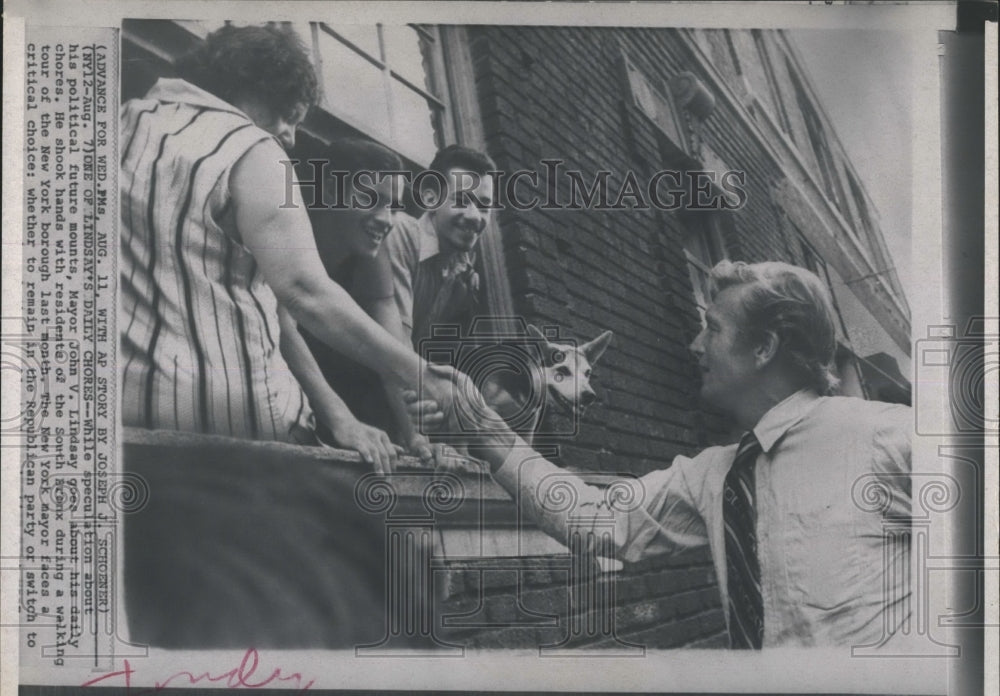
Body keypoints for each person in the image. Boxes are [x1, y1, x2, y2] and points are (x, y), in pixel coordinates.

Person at [408, 260, 912, 648]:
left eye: (712, 328)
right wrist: (478, 422)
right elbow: (594, 517)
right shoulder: (716, 476)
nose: (695, 345)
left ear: (763, 348)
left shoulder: (885, 438)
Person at [120, 24, 456, 473]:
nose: (292, 138)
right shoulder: (250, 146)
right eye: (291, 117)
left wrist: (385, 427)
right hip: (244, 435)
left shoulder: (119, 124)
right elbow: (302, 293)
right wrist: (423, 376)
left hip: (124, 424)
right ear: (261, 88)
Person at [300, 137, 439, 462]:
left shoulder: (369, 251)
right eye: (372, 199)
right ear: (331, 193)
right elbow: (283, 333)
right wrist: (341, 421)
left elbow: (387, 347)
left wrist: (416, 435)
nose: (386, 219)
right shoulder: (291, 235)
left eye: (393, 206)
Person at [384, 145, 497, 349]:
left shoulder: (465, 273)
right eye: (462, 200)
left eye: (484, 206)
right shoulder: (400, 232)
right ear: (430, 199)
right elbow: (396, 344)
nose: (475, 216)